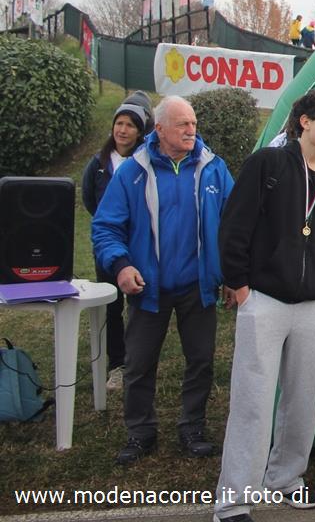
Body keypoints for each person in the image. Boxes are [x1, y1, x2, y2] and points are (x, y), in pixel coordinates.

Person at [213, 87, 315, 521]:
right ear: (305, 121)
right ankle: (234, 500)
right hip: (265, 299)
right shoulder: (268, 164)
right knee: (253, 400)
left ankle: (285, 479)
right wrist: (240, 286)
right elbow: (234, 225)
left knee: (303, 400)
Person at [92, 95, 233, 465]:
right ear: (160, 129)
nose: (191, 130)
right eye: (183, 124)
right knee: (139, 364)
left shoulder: (213, 168)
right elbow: (105, 227)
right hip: (148, 287)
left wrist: (231, 275)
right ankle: (140, 432)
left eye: (194, 123)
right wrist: (122, 265)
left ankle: (193, 428)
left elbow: (234, 225)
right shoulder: (132, 171)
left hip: (198, 286)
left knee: (201, 361)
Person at [82, 90, 152, 392]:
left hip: (138, 245)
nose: (122, 130)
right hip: (109, 248)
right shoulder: (98, 164)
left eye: (130, 125)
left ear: (140, 131)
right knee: (111, 305)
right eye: (119, 123)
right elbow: (90, 200)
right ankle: (116, 362)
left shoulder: (145, 162)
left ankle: (139, 357)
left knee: (139, 304)